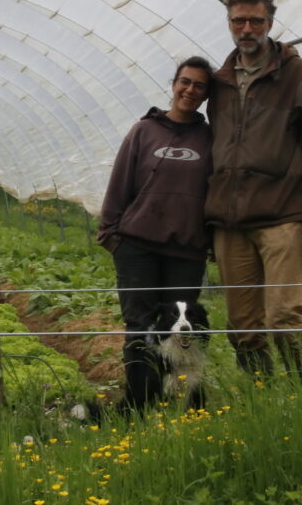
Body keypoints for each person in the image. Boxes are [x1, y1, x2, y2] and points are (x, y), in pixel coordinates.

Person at [205, 0, 302, 378]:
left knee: (284, 316)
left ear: (270, 23)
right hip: (231, 222)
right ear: (229, 23)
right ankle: (262, 398)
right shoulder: (221, 81)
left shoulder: (297, 74)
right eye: (239, 21)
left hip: (283, 214)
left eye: (255, 21)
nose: (247, 28)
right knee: (243, 328)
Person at [98, 56, 214, 410]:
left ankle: (182, 400)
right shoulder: (144, 131)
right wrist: (112, 234)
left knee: (182, 328)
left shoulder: (210, 138)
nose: (190, 90)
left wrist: (210, 241)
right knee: (139, 327)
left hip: (186, 251)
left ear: (207, 94)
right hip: (138, 248)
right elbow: (120, 182)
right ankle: (139, 405)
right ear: (174, 83)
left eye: (199, 86)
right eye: (185, 82)